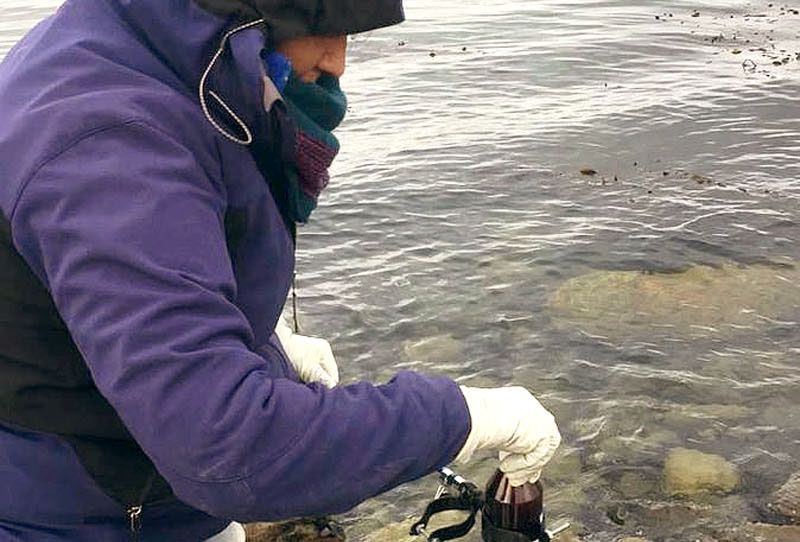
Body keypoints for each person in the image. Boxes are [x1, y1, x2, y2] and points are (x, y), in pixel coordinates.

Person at [0, 1, 562, 541]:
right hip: (72, 514)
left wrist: (262, 340)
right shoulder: (110, 147)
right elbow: (225, 446)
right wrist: (464, 419)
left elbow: (123, 282)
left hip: (143, 490)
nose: (337, 60)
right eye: (317, 20)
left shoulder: (145, 52)